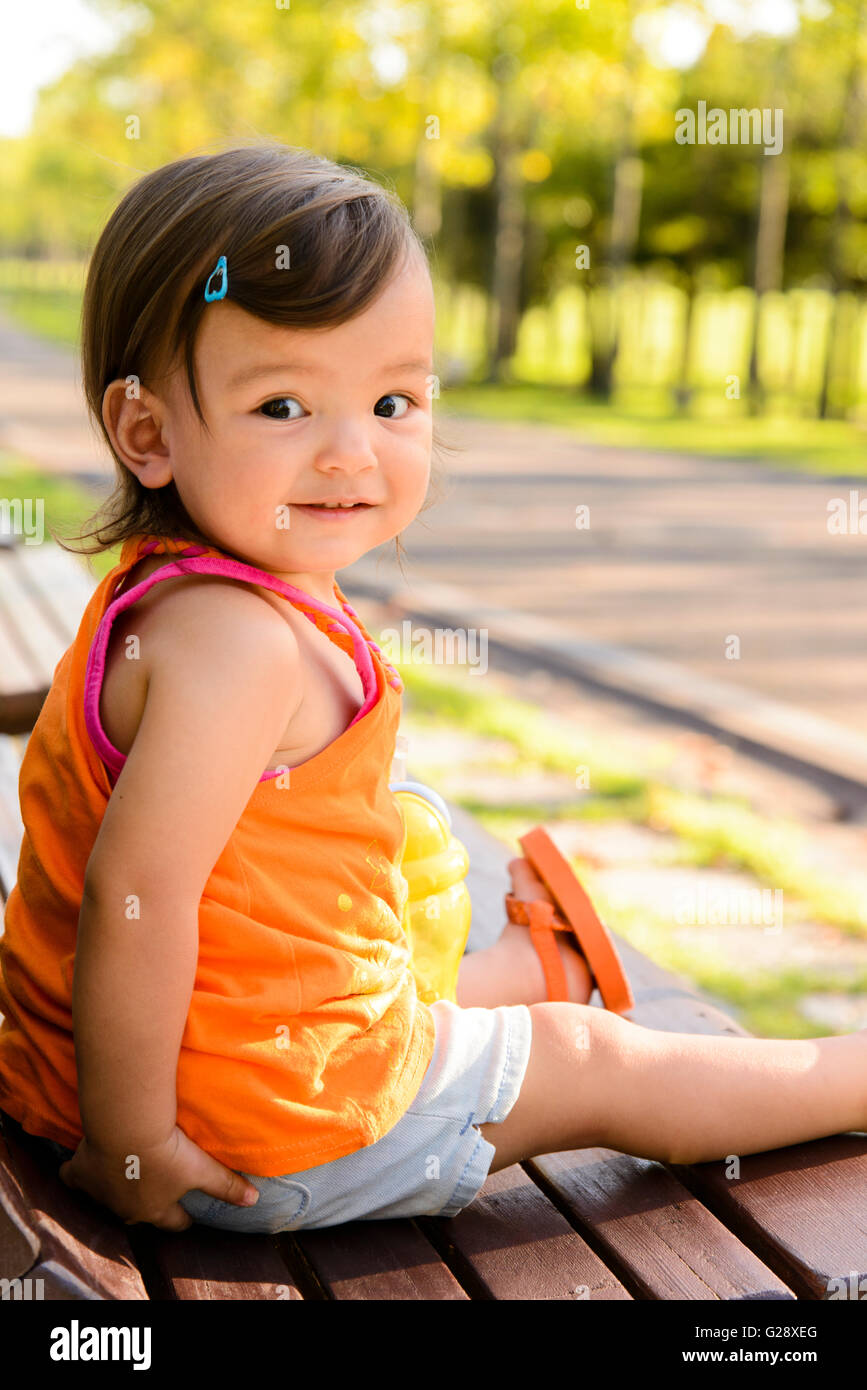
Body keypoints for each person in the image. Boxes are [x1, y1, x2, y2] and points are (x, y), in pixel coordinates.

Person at [0, 143, 863, 1238]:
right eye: (282, 406)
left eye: (394, 398)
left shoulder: (175, 598)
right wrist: (134, 1149)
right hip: (252, 1124)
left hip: (120, 1075)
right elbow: (142, 895)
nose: (351, 453)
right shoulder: (239, 646)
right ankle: (846, 1073)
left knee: (403, 872)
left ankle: (531, 964)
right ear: (148, 432)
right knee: (587, 1060)